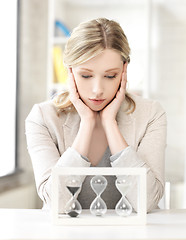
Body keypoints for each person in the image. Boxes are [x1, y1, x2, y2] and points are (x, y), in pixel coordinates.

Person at [25, 18, 167, 213]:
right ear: (70, 71)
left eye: (110, 76)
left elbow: (147, 202)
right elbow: (56, 204)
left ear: (124, 70)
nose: (98, 90)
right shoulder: (43, 117)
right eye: (86, 75)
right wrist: (87, 123)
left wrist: (110, 123)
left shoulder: (151, 114)